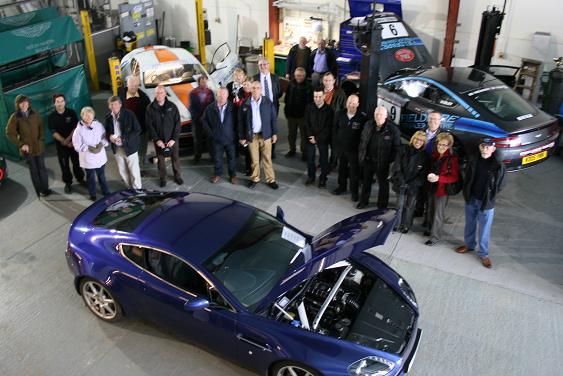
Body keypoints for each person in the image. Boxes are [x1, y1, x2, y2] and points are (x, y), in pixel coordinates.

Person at [455, 138, 506, 268]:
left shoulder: (498, 165)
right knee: (470, 223)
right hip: (471, 198)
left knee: (484, 228)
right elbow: (467, 177)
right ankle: (469, 245)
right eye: (483, 146)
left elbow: (501, 185)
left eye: (488, 147)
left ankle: (484, 254)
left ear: (493, 149)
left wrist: (490, 196)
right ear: (479, 147)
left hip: (486, 202)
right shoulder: (473, 160)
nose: (485, 149)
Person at [5, 94, 51, 197]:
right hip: (28, 150)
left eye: (25, 101)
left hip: (39, 147)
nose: (24, 104)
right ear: (17, 104)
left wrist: (41, 140)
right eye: (21, 102)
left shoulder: (34, 113)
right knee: (34, 170)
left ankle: (46, 189)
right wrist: (21, 144)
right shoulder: (15, 117)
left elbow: (41, 126)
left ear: (28, 102)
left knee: (42, 168)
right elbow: (9, 132)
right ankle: (39, 191)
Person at [357, 106, 401, 209]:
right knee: (366, 182)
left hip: (383, 163)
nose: (378, 116)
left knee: (383, 185)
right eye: (377, 114)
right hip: (368, 160)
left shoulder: (393, 129)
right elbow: (363, 140)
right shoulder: (368, 125)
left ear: (386, 116)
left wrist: (389, 160)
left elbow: (397, 148)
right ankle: (363, 201)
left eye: (381, 114)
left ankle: (382, 205)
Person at [239, 80, 279, 190]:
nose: (256, 90)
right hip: (252, 136)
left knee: (267, 158)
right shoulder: (245, 104)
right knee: (254, 160)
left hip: (266, 135)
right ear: (250, 89)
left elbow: (273, 119)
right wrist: (242, 137)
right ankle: (255, 178)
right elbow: (241, 122)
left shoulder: (268, 102)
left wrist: (274, 133)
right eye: (253, 88)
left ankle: (271, 180)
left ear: (261, 89)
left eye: (258, 88)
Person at [390, 131, 429, 233]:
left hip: (414, 185)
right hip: (400, 182)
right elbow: (397, 166)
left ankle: (406, 225)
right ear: (413, 139)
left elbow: (423, 175)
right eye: (417, 139)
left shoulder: (425, 156)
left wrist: (411, 184)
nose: (418, 142)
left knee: (410, 206)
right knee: (399, 205)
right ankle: (396, 224)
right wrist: (402, 181)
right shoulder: (403, 149)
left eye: (421, 140)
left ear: (424, 143)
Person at [424, 132, 459, 246]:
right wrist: (430, 175)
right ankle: (430, 229)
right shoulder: (435, 155)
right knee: (430, 210)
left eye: (444, 145)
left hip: (442, 190)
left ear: (449, 146)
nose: (441, 147)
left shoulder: (452, 159)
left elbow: (454, 177)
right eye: (439, 144)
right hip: (431, 187)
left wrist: (439, 178)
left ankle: (435, 237)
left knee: (438, 214)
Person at [146, 85, 183, 187]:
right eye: (157, 93)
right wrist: (157, 140)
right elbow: (150, 126)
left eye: (161, 93)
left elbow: (177, 124)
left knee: (175, 158)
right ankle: (163, 178)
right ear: (155, 94)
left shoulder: (172, 106)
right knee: (161, 160)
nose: (159, 95)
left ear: (165, 94)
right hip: (159, 141)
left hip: (172, 140)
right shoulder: (150, 108)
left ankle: (177, 176)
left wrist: (174, 139)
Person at [47, 93, 84, 193]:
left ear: (65, 102)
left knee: (77, 162)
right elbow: (53, 132)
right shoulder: (51, 117)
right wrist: (63, 141)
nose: (60, 103)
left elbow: (76, 128)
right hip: (61, 146)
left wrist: (68, 140)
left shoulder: (71, 113)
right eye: (57, 102)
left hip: (73, 144)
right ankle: (68, 183)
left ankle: (81, 179)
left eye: (62, 101)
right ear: (54, 103)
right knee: (64, 165)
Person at [72, 107, 110, 201]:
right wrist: (88, 148)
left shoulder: (99, 125)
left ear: (93, 115)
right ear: (82, 116)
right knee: (90, 177)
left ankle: (105, 190)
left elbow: (105, 137)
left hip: (100, 156)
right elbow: (76, 145)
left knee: (101, 175)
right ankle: (92, 194)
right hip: (87, 158)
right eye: (86, 115)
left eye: (90, 115)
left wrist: (102, 144)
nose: (88, 117)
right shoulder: (78, 130)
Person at [332, 94, 365, 200]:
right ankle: (341, 187)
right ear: (346, 103)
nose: (351, 105)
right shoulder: (339, 114)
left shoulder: (362, 118)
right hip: (341, 149)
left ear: (358, 104)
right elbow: (335, 129)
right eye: (350, 103)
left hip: (354, 151)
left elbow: (364, 136)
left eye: (354, 103)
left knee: (354, 172)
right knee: (341, 169)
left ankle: (354, 192)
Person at [104, 96, 142, 189]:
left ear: (120, 105)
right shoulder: (108, 117)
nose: (114, 106)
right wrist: (110, 137)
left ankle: (138, 191)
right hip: (117, 149)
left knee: (134, 172)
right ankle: (129, 189)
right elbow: (107, 132)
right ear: (109, 106)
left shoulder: (129, 114)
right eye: (111, 105)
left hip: (130, 147)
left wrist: (124, 139)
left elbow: (137, 130)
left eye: (116, 104)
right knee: (123, 171)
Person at [202, 87, 237, 184]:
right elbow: (204, 121)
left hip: (230, 139)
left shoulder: (233, 107)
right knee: (217, 159)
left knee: (232, 158)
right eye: (220, 94)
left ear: (227, 95)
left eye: (224, 94)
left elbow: (238, 121)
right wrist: (211, 134)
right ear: (216, 95)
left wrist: (234, 134)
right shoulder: (210, 108)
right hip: (216, 139)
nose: (222, 97)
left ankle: (232, 175)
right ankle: (217, 174)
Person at [118, 75, 151, 169]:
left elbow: (149, 114)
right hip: (127, 131)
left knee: (141, 151)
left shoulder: (144, 98)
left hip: (141, 131)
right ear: (127, 84)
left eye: (136, 85)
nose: (134, 87)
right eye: (132, 85)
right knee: (129, 151)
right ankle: (131, 169)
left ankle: (140, 168)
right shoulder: (120, 97)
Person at [304, 86, 334, 188]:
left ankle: (323, 179)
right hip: (310, 138)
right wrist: (310, 137)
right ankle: (311, 177)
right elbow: (306, 124)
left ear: (324, 96)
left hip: (323, 140)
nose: (317, 99)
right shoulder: (309, 107)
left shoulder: (329, 110)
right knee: (310, 159)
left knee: (324, 160)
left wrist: (317, 138)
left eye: (319, 97)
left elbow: (328, 127)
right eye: (315, 97)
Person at [417, 111, 444, 221]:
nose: (433, 121)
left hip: (434, 168)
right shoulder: (421, 132)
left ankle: (427, 218)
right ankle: (418, 210)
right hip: (420, 166)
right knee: (419, 191)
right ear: (427, 120)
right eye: (431, 118)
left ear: (440, 121)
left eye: (436, 119)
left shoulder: (443, 135)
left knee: (430, 194)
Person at [254, 58, 282, 159]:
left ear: (269, 65)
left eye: (265, 64)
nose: (263, 66)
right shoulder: (255, 78)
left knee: (272, 129)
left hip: (273, 107)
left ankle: (271, 151)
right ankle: (261, 150)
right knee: (261, 128)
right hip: (259, 108)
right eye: (260, 65)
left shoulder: (275, 77)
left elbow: (279, 92)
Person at [284, 67, 312, 159]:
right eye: (297, 75)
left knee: (304, 136)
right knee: (291, 135)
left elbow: (310, 103)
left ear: (304, 76)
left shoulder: (309, 86)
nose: (299, 77)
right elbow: (287, 98)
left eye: (301, 76)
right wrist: (286, 111)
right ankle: (292, 150)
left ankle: (304, 152)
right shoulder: (291, 84)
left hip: (303, 117)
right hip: (291, 115)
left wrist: (308, 116)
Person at [189, 75, 214, 163]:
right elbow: (191, 107)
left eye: (205, 80)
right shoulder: (193, 93)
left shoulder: (210, 92)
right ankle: (197, 157)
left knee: (210, 139)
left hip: (208, 120)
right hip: (197, 120)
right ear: (199, 82)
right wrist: (197, 117)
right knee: (197, 140)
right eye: (202, 80)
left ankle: (213, 156)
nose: (204, 82)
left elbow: (213, 106)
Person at [233, 78, 253, 175]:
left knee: (251, 149)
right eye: (245, 84)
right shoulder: (238, 94)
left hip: (251, 126)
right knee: (246, 148)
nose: (246, 86)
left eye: (248, 84)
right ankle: (248, 167)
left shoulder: (255, 95)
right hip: (241, 124)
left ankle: (251, 168)